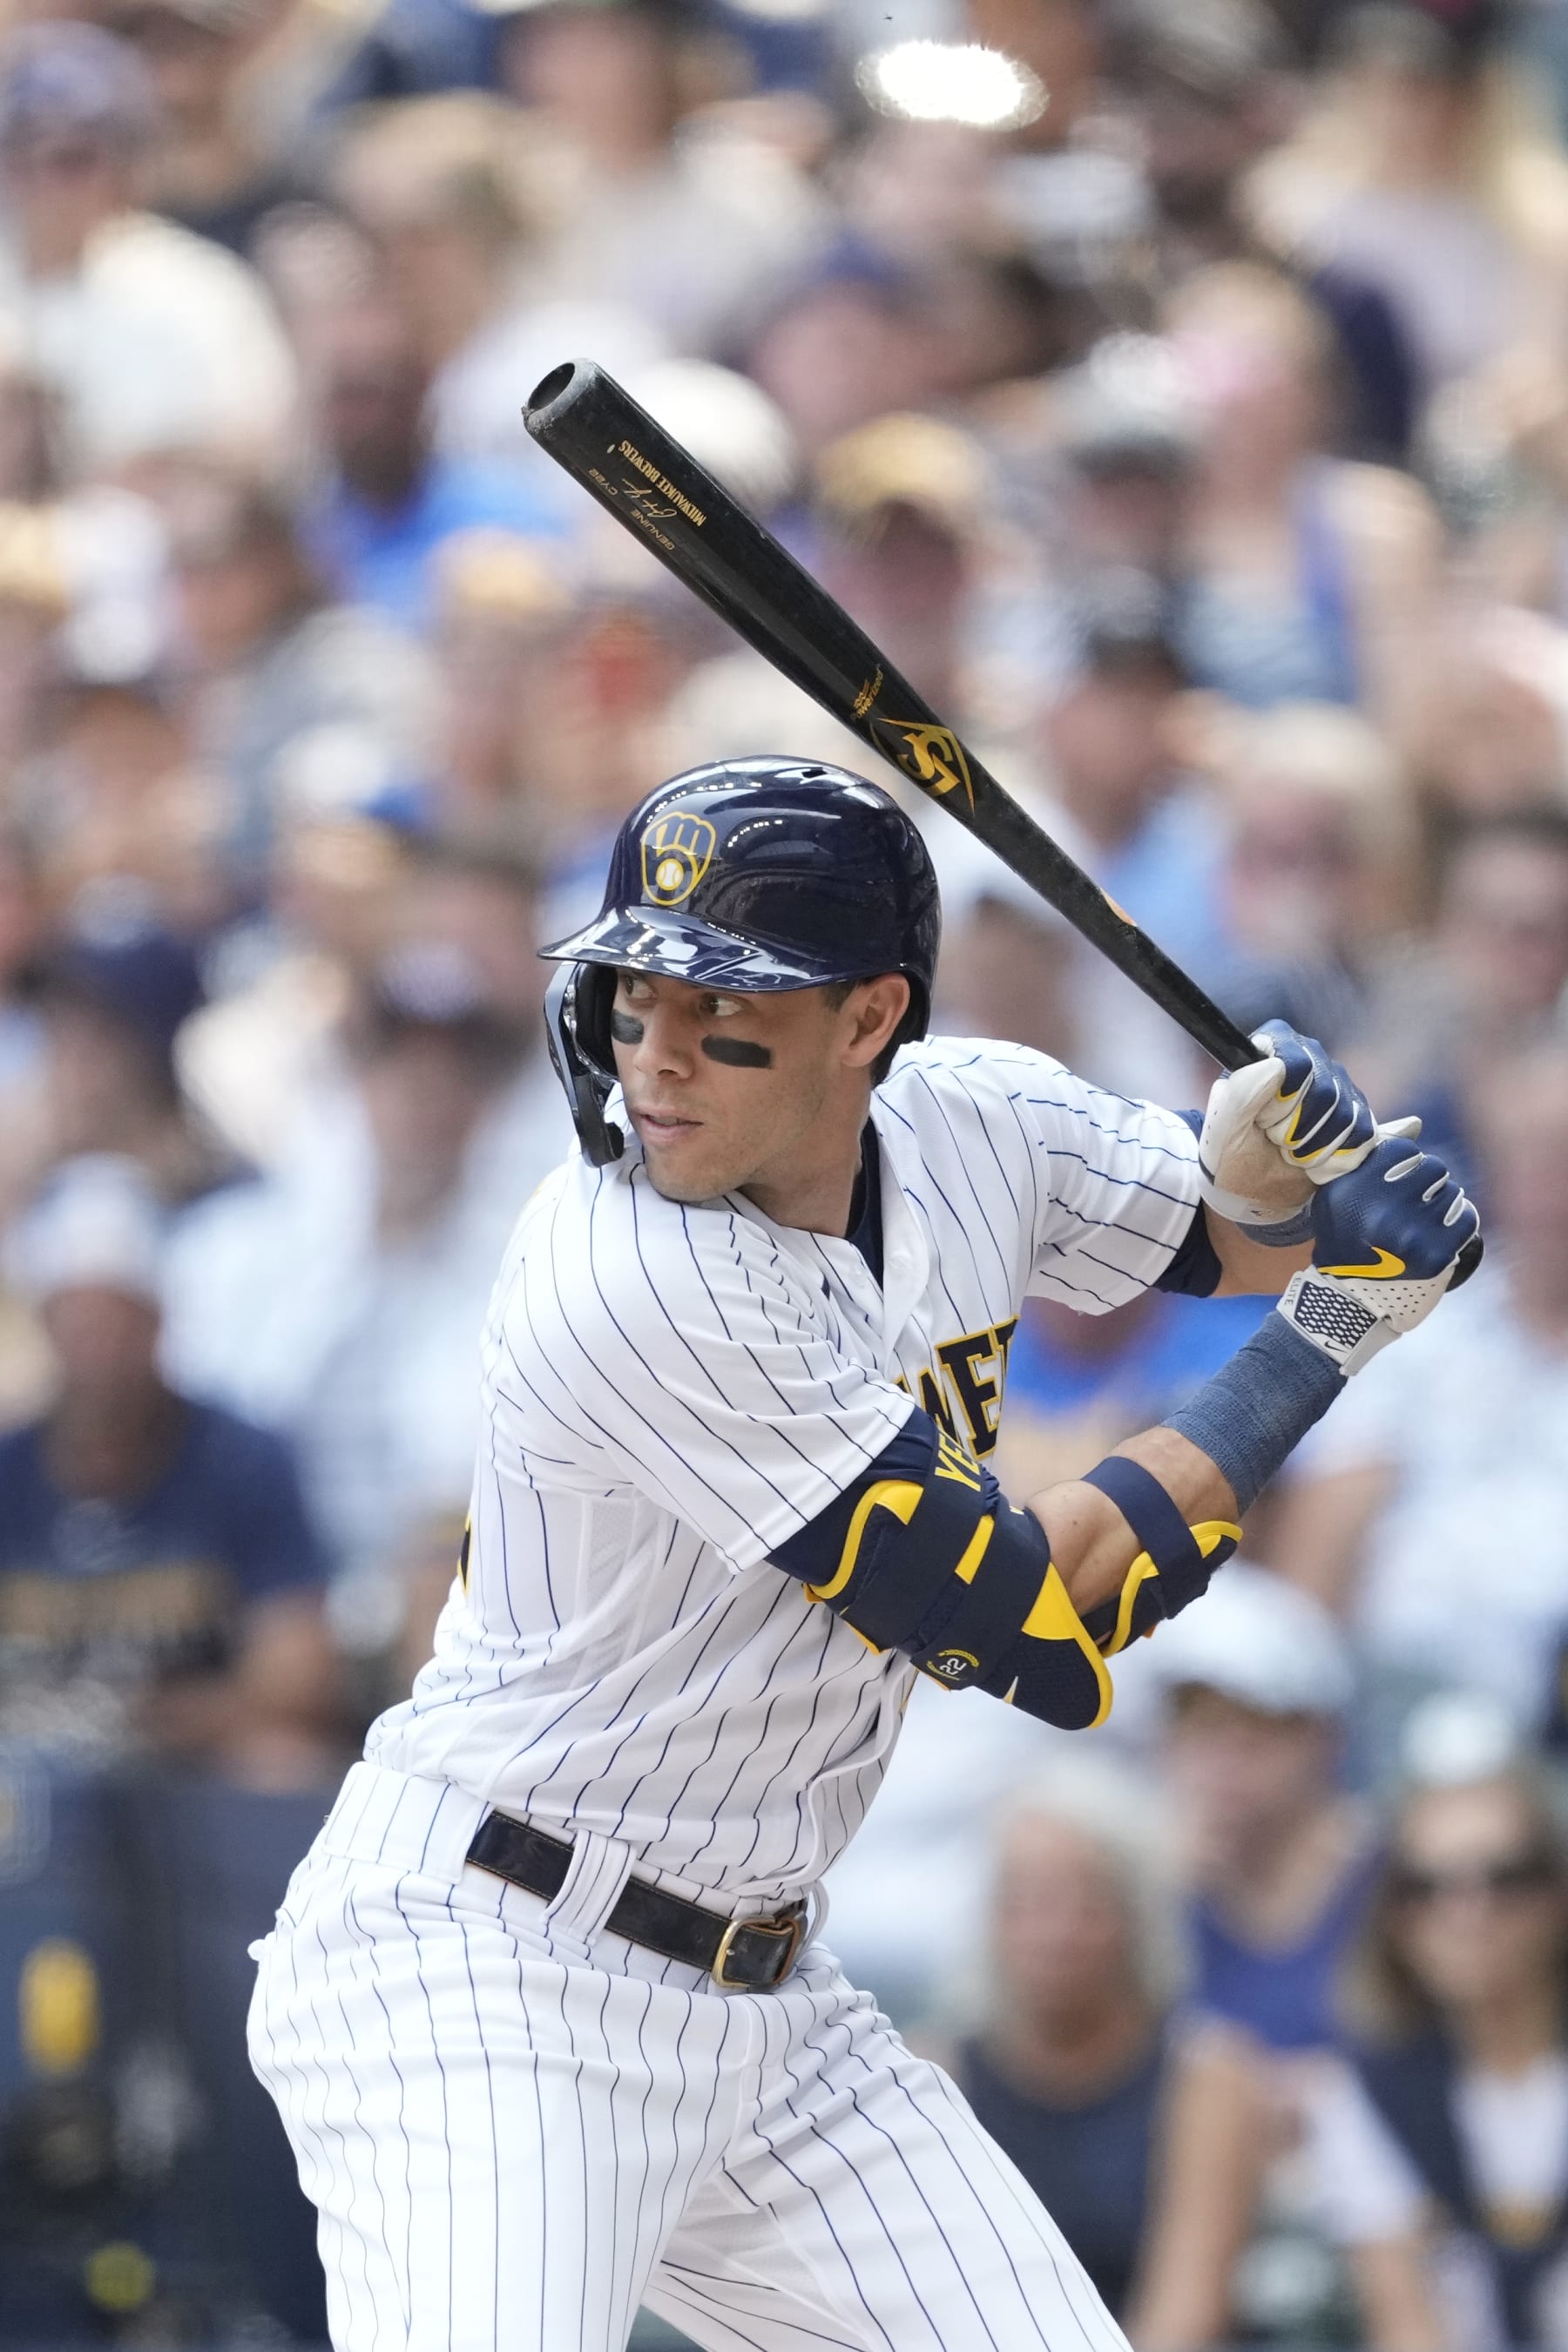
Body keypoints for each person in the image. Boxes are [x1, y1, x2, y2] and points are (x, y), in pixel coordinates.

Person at [248, 759, 1477, 2350]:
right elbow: (1032, 1619)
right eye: (635, 998)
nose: (657, 1060)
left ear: (871, 1017)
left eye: (722, 1009)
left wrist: (1279, 1173)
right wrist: (1335, 1327)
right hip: (492, 1970)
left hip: (764, 1997)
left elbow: (1223, 1233)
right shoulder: (629, 1269)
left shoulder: (978, 1119)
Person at [0, 1153, 339, 1785]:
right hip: (29, 1782)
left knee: (284, 1762)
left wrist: (129, 1721)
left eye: (116, 1321)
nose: (98, 1350)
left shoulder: (243, 1460)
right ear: (48, 1327)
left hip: (188, 1771)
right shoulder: (10, 1470)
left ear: (158, 1322)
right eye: (79, 1324)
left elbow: (299, 1678)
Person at [1272, 1044, 1568, 1738]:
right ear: (1495, 1177)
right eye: (1537, 1165)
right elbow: (1319, 1550)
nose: (1556, 1196)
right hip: (1402, 1709)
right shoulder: (1416, 1333)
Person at [949, 1760, 1271, 2348]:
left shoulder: (1208, 2080)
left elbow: (1188, 2318)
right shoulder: (936, 2078)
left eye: (1085, 1901)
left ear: (1136, 1916)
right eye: (1026, 1900)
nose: (1055, 1930)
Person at [1308, 1759, 1568, 2349]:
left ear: (1558, 1894)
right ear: (1395, 1918)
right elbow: (1404, 2328)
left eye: (1506, 1877)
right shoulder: (1366, 2093)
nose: (1469, 1913)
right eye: (1427, 1886)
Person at [1138, 1559, 1377, 2055]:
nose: (1225, 1760)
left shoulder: (1396, 1885)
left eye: (1258, 1729)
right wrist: (1153, 1900)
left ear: (1324, 1741)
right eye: (1200, 1727)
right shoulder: (1148, 1889)